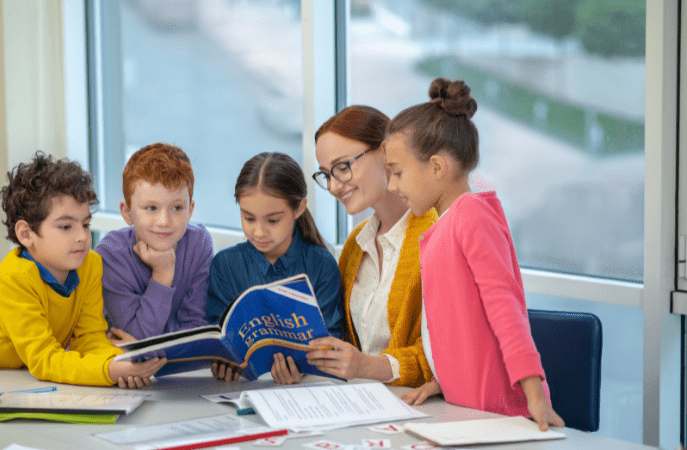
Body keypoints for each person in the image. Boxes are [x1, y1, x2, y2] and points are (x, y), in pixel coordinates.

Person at [383, 77, 564, 430]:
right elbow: (463, 328)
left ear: (437, 168)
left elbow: (505, 308)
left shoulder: (470, 216)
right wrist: (442, 381)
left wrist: (535, 392)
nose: (392, 186)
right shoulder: (448, 222)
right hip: (468, 410)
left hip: (500, 413)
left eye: (397, 173)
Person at [0, 152, 165, 388]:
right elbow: (44, 359)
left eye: (85, 224)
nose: (81, 237)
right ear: (26, 234)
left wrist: (120, 363)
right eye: (66, 226)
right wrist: (108, 371)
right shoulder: (14, 279)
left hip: (18, 376)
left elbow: (89, 338)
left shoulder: (90, 265)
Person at [306, 105, 438, 387]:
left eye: (342, 167)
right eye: (326, 174)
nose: (332, 186)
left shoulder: (435, 235)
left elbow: (444, 355)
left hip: (423, 408)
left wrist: (366, 366)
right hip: (363, 403)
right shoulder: (356, 245)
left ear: (385, 152)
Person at [205, 152, 344, 383]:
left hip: (309, 390)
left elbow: (332, 340)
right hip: (238, 390)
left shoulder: (321, 265)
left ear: (299, 209)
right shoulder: (225, 265)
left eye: (273, 221)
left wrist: (303, 368)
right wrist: (220, 361)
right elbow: (215, 333)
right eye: (249, 218)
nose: (259, 232)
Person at [95, 143, 213, 341]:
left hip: (169, 368)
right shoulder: (111, 254)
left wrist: (159, 349)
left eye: (176, 208)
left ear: (190, 210)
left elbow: (195, 328)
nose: (164, 221)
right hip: (125, 369)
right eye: (151, 208)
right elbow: (135, 339)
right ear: (127, 212)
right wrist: (162, 274)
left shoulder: (198, 244)